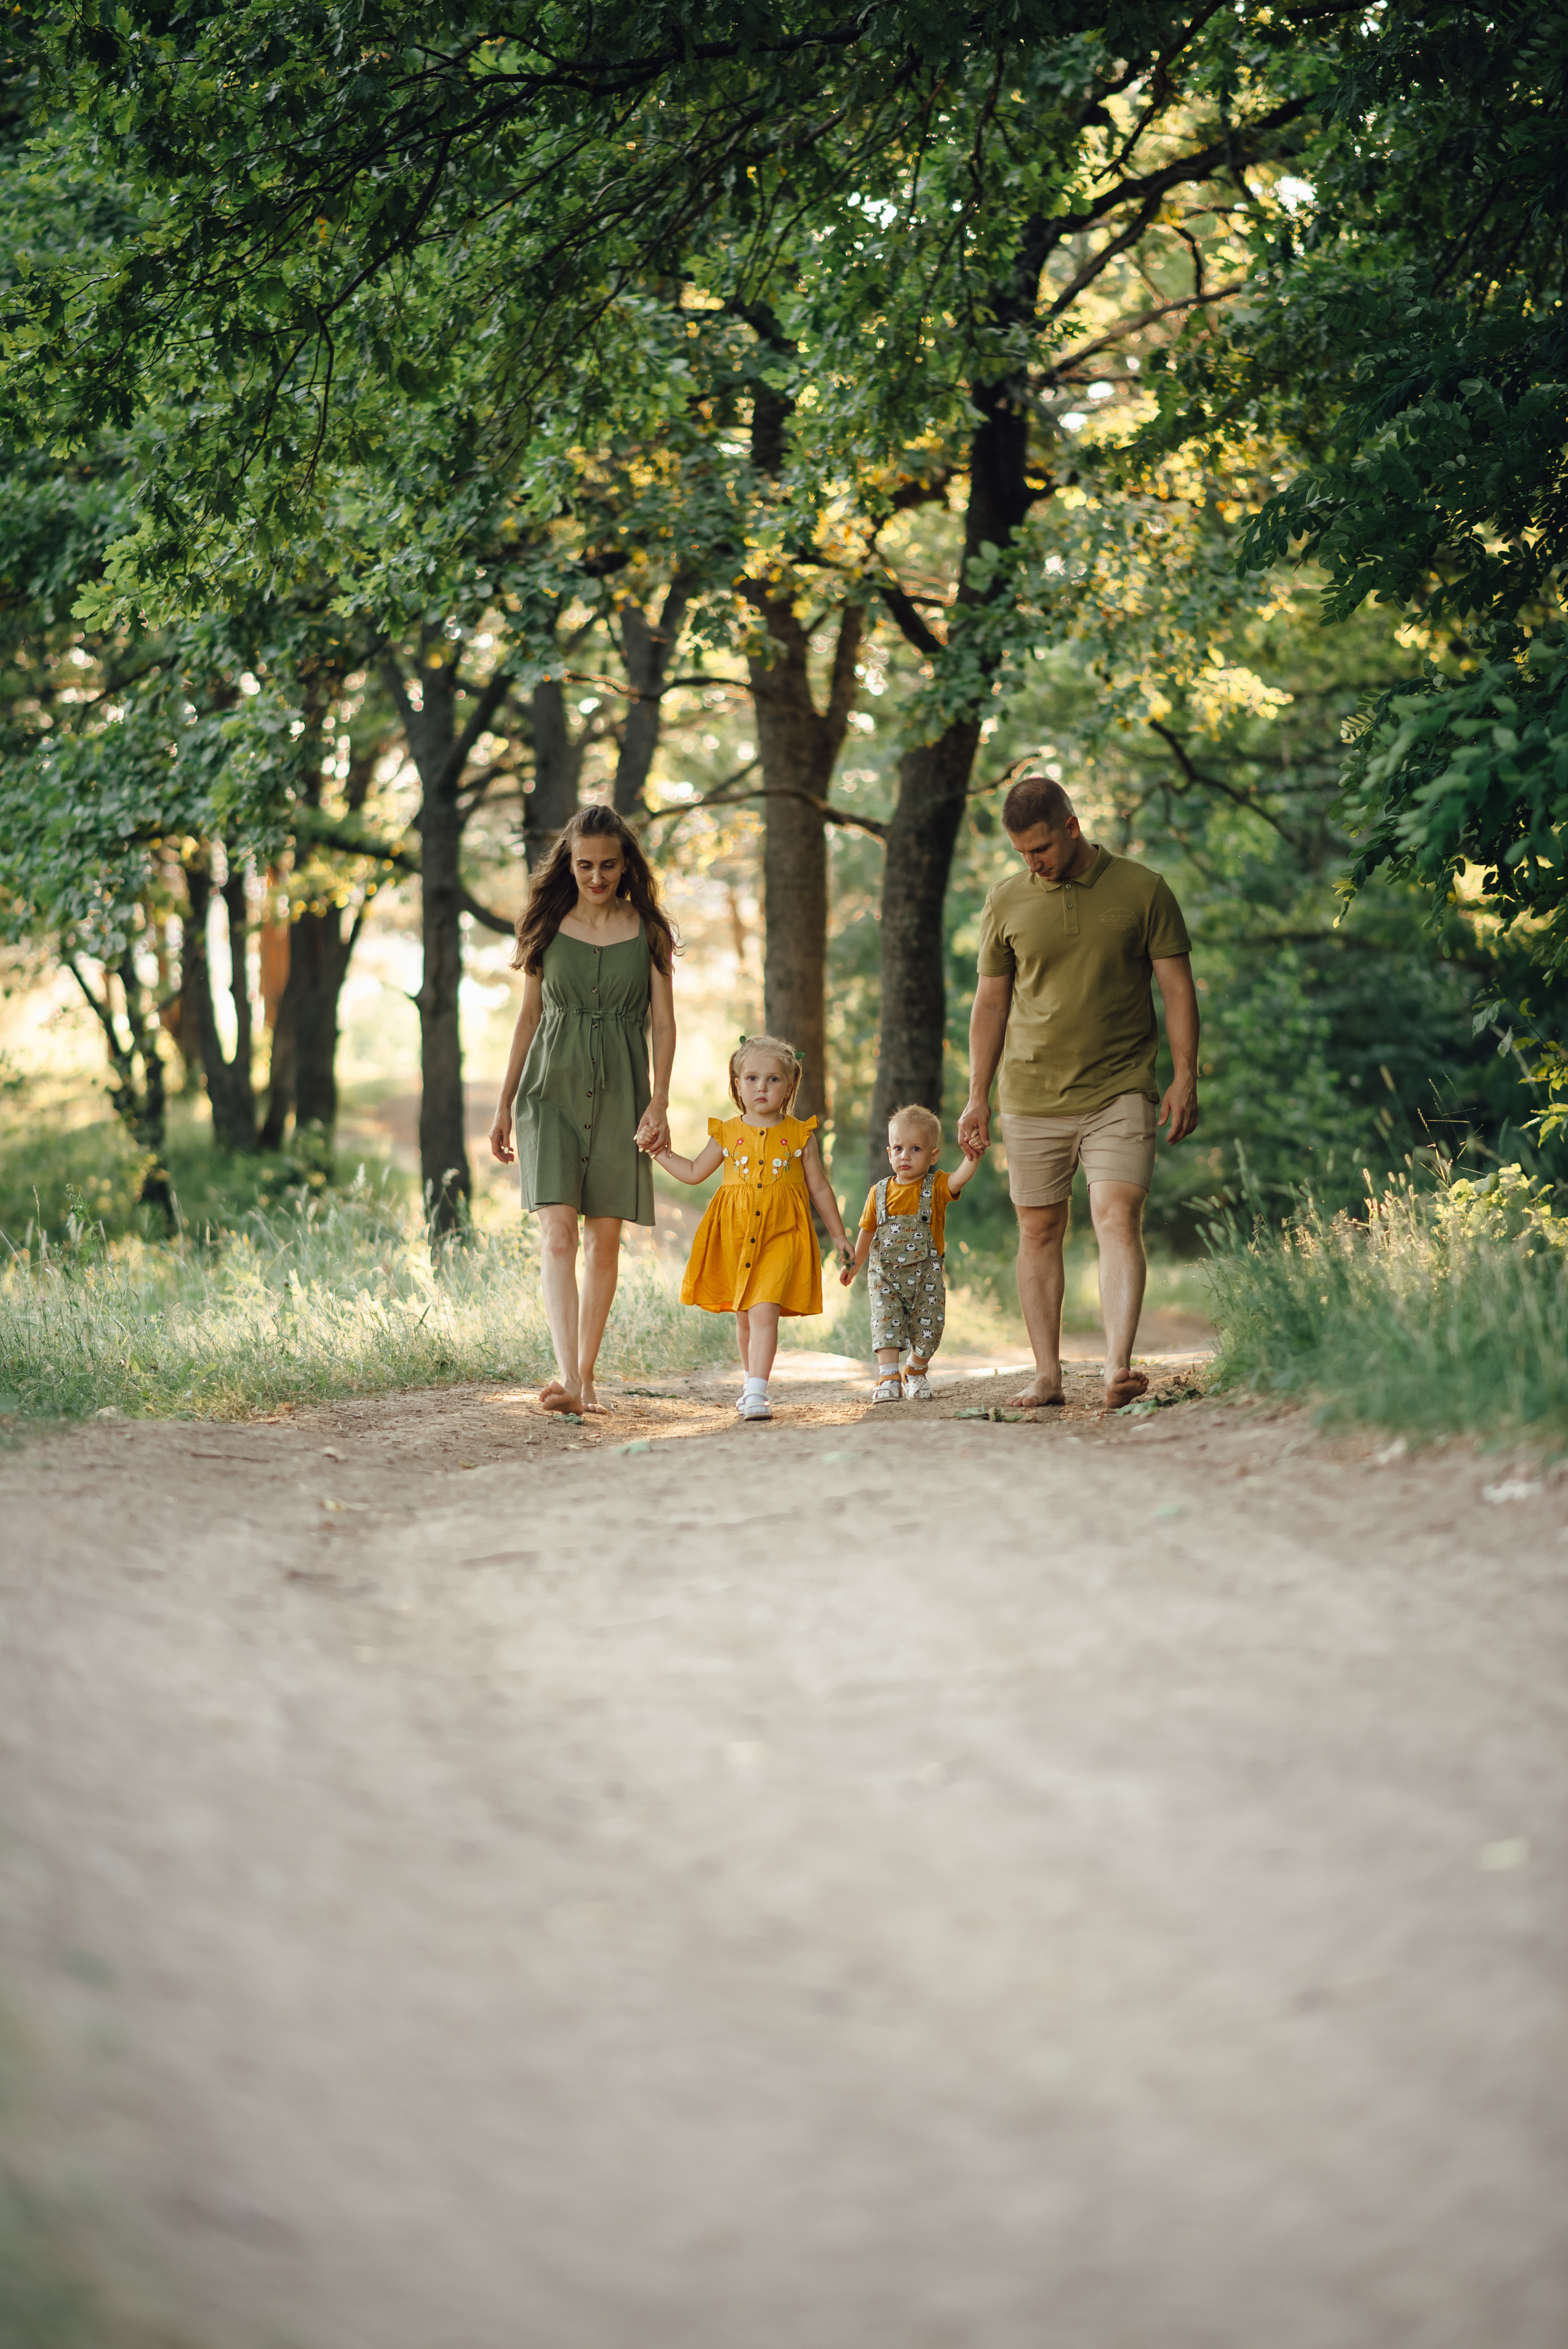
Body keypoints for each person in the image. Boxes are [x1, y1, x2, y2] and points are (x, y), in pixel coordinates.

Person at [956, 775, 1199, 1412]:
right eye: (1020, 854)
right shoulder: (1007, 901)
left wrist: (1184, 1075)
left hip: (1120, 1087)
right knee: (1039, 1230)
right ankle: (1047, 1376)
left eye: (1039, 849)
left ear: (1070, 827)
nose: (1031, 864)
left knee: (1117, 1214)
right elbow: (990, 1002)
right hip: (1030, 1093)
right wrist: (975, 1095)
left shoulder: (1142, 889)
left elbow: (1177, 988)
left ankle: (1117, 1368)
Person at [489, 804, 676, 1416]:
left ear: (626, 866)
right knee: (558, 1233)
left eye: (607, 866)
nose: (596, 877)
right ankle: (567, 1378)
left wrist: (660, 1099)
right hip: (549, 1091)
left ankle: (586, 1376)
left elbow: (665, 1023)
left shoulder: (648, 931)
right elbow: (529, 1017)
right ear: (568, 865)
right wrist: (503, 1103)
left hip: (622, 1091)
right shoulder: (545, 925)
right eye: (584, 865)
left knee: (603, 1241)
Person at [655, 1034, 854, 1422]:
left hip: (783, 1234)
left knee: (764, 1310)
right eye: (751, 1079)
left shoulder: (800, 1136)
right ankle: (751, 1385)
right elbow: (695, 1173)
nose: (761, 1087)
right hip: (735, 1235)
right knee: (745, 1315)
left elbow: (819, 1187)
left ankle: (757, 1392)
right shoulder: (727, 1133)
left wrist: (840, 1235)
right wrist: (660, 1153)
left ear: (789, 1086)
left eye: (773, 1080)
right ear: (737, 1085)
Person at [841, 1105, 983, 1403]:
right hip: (885, 1277)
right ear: (889, 1152)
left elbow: (960, 1178)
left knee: (930, 1329)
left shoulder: (937, 1186)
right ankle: (888, 1377)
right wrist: (855, 1263)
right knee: (885, 1322)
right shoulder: (878, 1192)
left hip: (925, 1279)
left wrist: (973, 1158)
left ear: (932, 1155)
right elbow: (867, 1231)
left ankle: (915, 1370)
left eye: (915, 1149)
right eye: (898, 1148)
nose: (905, 1156)